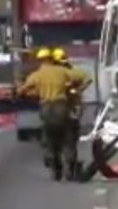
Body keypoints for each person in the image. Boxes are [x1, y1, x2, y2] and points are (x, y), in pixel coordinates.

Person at [18, 49, 81, 181]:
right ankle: (69, 165)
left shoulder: (37, 75)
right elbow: (84, 78)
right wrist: (75, 89)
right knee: (67, 137)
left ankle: (53, 163)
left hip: (46, 108)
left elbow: (22, 90)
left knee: (49, 136)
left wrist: (31, 93)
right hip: (61, 107)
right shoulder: (63, 72)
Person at [52, 47, 92, 180]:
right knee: (68, 139)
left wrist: (77, 90)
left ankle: (67, 166)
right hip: (65, 109)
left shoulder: (68, 72)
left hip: (68, 109)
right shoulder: (61, 72)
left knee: (68, 139)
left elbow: (86, 80)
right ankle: (65, 165)